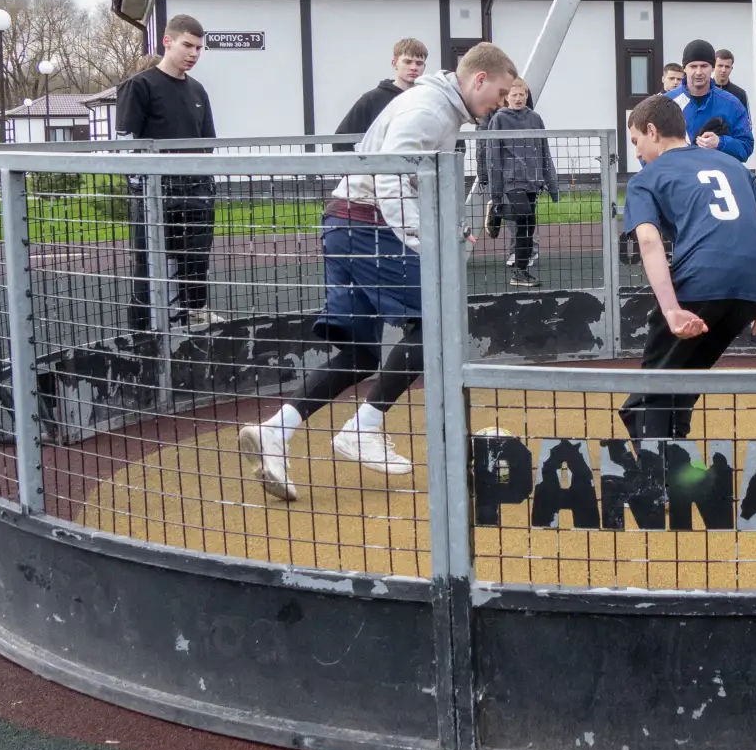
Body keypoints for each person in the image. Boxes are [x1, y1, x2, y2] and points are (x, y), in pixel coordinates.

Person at [239, 43, 517, 499]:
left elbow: (412, 181)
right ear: (479, 79)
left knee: (361, 356)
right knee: (438, 323)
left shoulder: (439, 107)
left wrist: (445, 231)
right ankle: (363, 427)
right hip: (368, 226)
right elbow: (390, 177)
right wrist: (426, 245)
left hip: (347, 223)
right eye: (501, 93)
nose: (502, 103)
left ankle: (275, 430)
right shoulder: (430, 109)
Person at [618, 94, 756, 441]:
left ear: (653, 131)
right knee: (682, 383)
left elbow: (648, 240)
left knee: (647, 398)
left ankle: (660, 473)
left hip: (703, 279)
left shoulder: (645, 179)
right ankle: (680, 465)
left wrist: (671, 309)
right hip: (752, 289)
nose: (637, 153)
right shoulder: (732, 164)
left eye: (636, 141)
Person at [116, 13, 217, 331]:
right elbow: (126, 145)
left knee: (195, 264)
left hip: (196, 195)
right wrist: (142, 190)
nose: (193, 54)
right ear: (167, 42)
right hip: (154, 197)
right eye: (187, 45)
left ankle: (194, 319)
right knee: (151, 267)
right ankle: (144, 337)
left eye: (199, 48)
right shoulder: (139, 86)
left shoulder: (198, 91)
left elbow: (208, 144)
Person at [482, 77, 559, 288]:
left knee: (528, 225)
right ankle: (497, 211)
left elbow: (544, 150)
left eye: (521, 95)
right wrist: (496, 193)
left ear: (526, 96)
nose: (518, 99)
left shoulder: (535, 118)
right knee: (523, 213)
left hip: (532, 179)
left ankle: (520, 271)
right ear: (506, 97)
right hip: (511, 179)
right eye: (514, 95)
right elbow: (493, 156)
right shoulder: (499, 119)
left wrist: (551, 184)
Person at [332, 37, 427, 151]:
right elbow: (341, 140)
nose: (414, 67)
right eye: (407, 62)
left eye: (419, 63)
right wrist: (361, 162)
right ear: (395, 64)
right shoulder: (372, 99)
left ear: (424, 67)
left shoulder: (426, 99)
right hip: (381, 162)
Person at [673, 39, 754, 162]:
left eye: (704, 66)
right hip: (678, 173)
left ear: (712, 68)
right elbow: (648, 147)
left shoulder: (733, 104)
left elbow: (746, 147)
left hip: (719, 173)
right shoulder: (667, 103)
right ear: (684, 68)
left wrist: (720, 143)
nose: (698, 72)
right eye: (693, 66)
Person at [712, 48, 753, 114]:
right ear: (713, 67)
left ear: (731, 68)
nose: (723, 70)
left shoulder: (740, 94)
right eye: (720, 66)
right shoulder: (704, 91)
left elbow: (746, 119)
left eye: (727, 67)